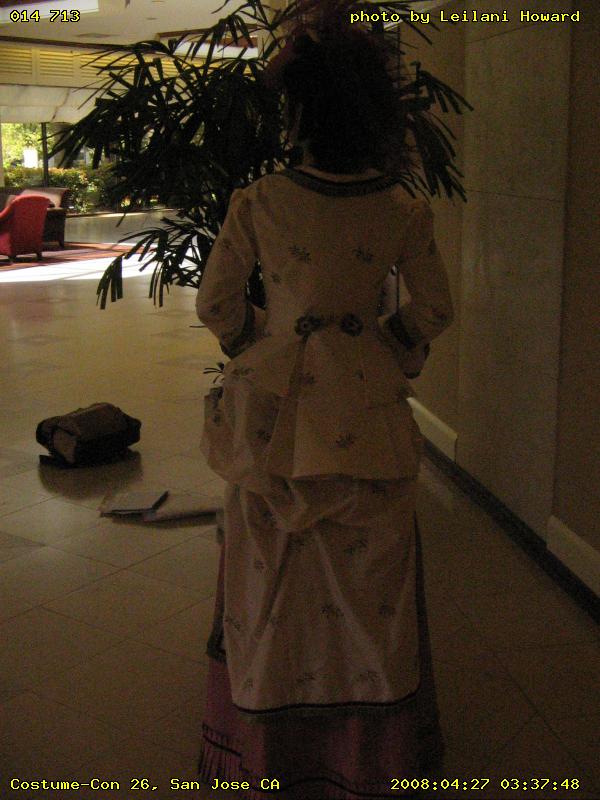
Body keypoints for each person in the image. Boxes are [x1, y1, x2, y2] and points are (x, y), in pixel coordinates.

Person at [195, 21, 454, 800]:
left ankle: (269, 741)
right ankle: (367, 755)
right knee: (371, 587)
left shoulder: (259, 202)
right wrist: (380, 348)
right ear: (375, 113)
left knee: (268, 580)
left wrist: (265, 345)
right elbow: (434, 309)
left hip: (272, 417)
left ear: (299, 113)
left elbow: (216, 304)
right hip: (367, 413)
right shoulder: (400, 207)